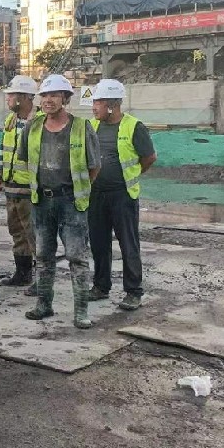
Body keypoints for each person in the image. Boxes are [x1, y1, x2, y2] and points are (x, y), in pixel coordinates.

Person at [18, 74, 102, 329]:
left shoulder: (82, 127)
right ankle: (44, 305)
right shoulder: (32, 127)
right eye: (44, 95)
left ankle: (81, 312)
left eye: (54, 95)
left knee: (77, 257)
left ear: (65, 98)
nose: (48, 100)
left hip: (71, 202)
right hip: (42, 201)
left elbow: (94, 166)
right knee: (44, 256)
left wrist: (79, 190)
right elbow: (26, 159)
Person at [88, 79, 157, 311]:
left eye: (98, 102)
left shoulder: (134, 126)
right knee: (99, 243)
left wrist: (131, 176)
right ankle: (101, 286)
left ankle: (133, 292)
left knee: (128, 244)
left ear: (112, 105)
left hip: (123, 196)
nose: (94, 107)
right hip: (96, 195)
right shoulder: (91, 126)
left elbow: (149, 157)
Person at [0, 75, 42, 290]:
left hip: (31, 189)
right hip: (11, 187)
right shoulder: (10, 121)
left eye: (11, 95)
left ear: (23, 97)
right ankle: (23, 274)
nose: (8, 99)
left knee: (35, 235)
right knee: (17, 232)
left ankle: (42, 280)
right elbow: (3, 151)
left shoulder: (40, 122)